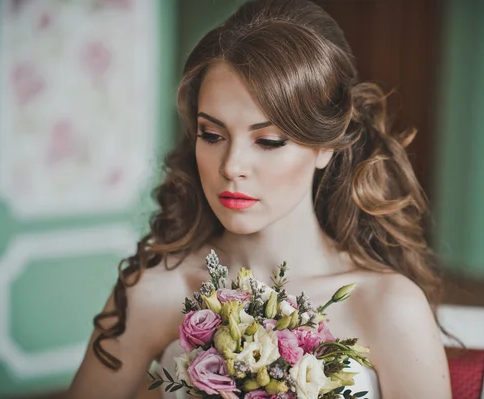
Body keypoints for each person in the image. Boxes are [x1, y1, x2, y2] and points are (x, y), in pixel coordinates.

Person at [67, 0, 452, 398]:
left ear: (327, 145)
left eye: (267, 141)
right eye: (212, 135)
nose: (232, 166)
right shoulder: (153, 291)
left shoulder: (390, 306)